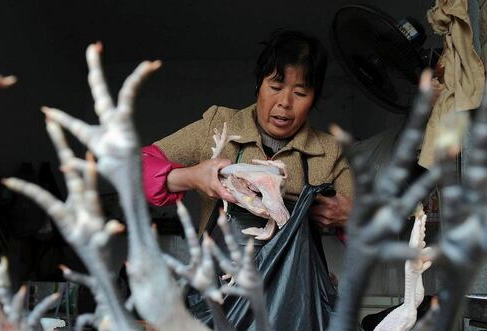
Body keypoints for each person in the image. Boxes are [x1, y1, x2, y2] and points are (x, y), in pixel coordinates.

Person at [141, 29, 353, 236]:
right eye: (276, 87)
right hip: (220, 269)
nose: (285, 103)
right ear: (258, 84)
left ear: (313, 100)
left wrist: (351, 217)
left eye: (300, 93)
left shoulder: (330, 151)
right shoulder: (218, 126)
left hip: (294, 271)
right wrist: (192, 176)